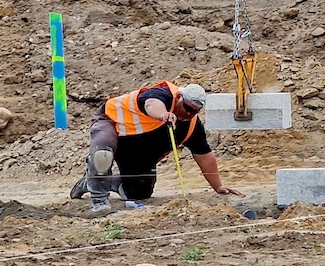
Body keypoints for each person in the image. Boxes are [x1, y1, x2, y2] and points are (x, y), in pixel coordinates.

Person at [70, 80, 242, 213]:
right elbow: (151, 103)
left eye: (194, 112)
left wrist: (218, 186)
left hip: (135, 148)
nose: (189, 114)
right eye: (187, 108)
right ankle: (99, 200)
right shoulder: (162, 94)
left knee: (139, 192)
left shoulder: (192, 126)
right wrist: (162, 115)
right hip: (111, 122)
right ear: (179, 98)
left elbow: (204, 155)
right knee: (102, 155)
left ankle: (90, 182)